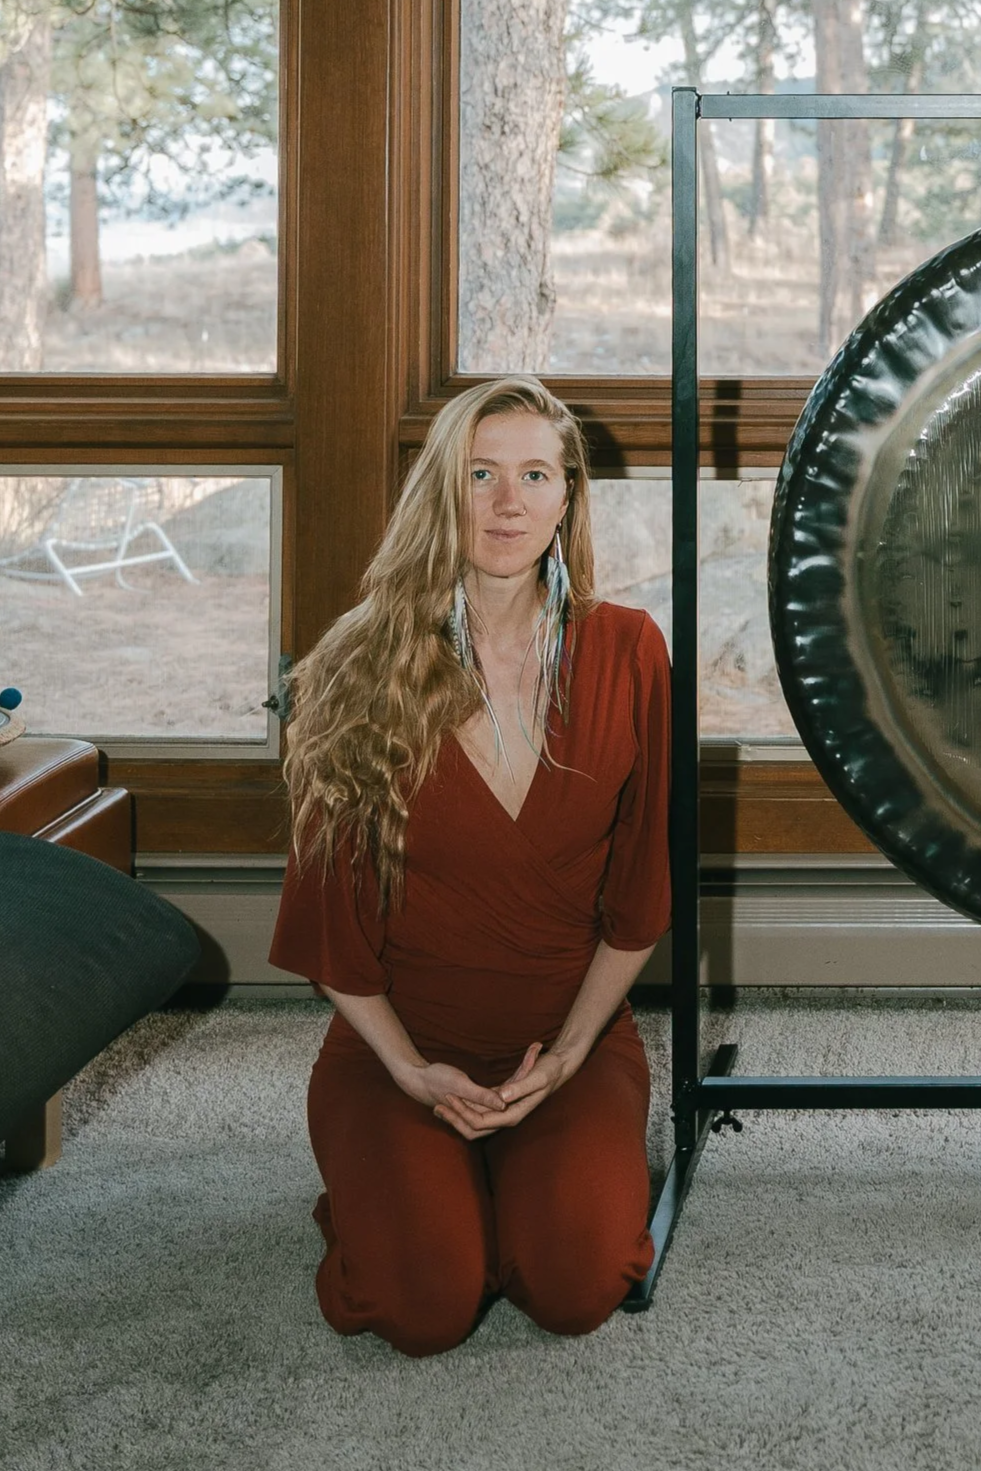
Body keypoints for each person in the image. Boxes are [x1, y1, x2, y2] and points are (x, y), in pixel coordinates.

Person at [269, 375, 671, 1357]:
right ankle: (403, 1198)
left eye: (535, 474)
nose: (506, 502)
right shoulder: (352, 664)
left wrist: (574, 1052)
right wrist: (410, 1070)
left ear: (566, 497)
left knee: (577, 1286)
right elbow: (329, 926)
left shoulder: (628, 652)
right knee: (422, 1309)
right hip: (396, 1051)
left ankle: (506, 1191)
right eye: (480, 473)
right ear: (441, 492)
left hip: (563, 1046)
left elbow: (640, 895)